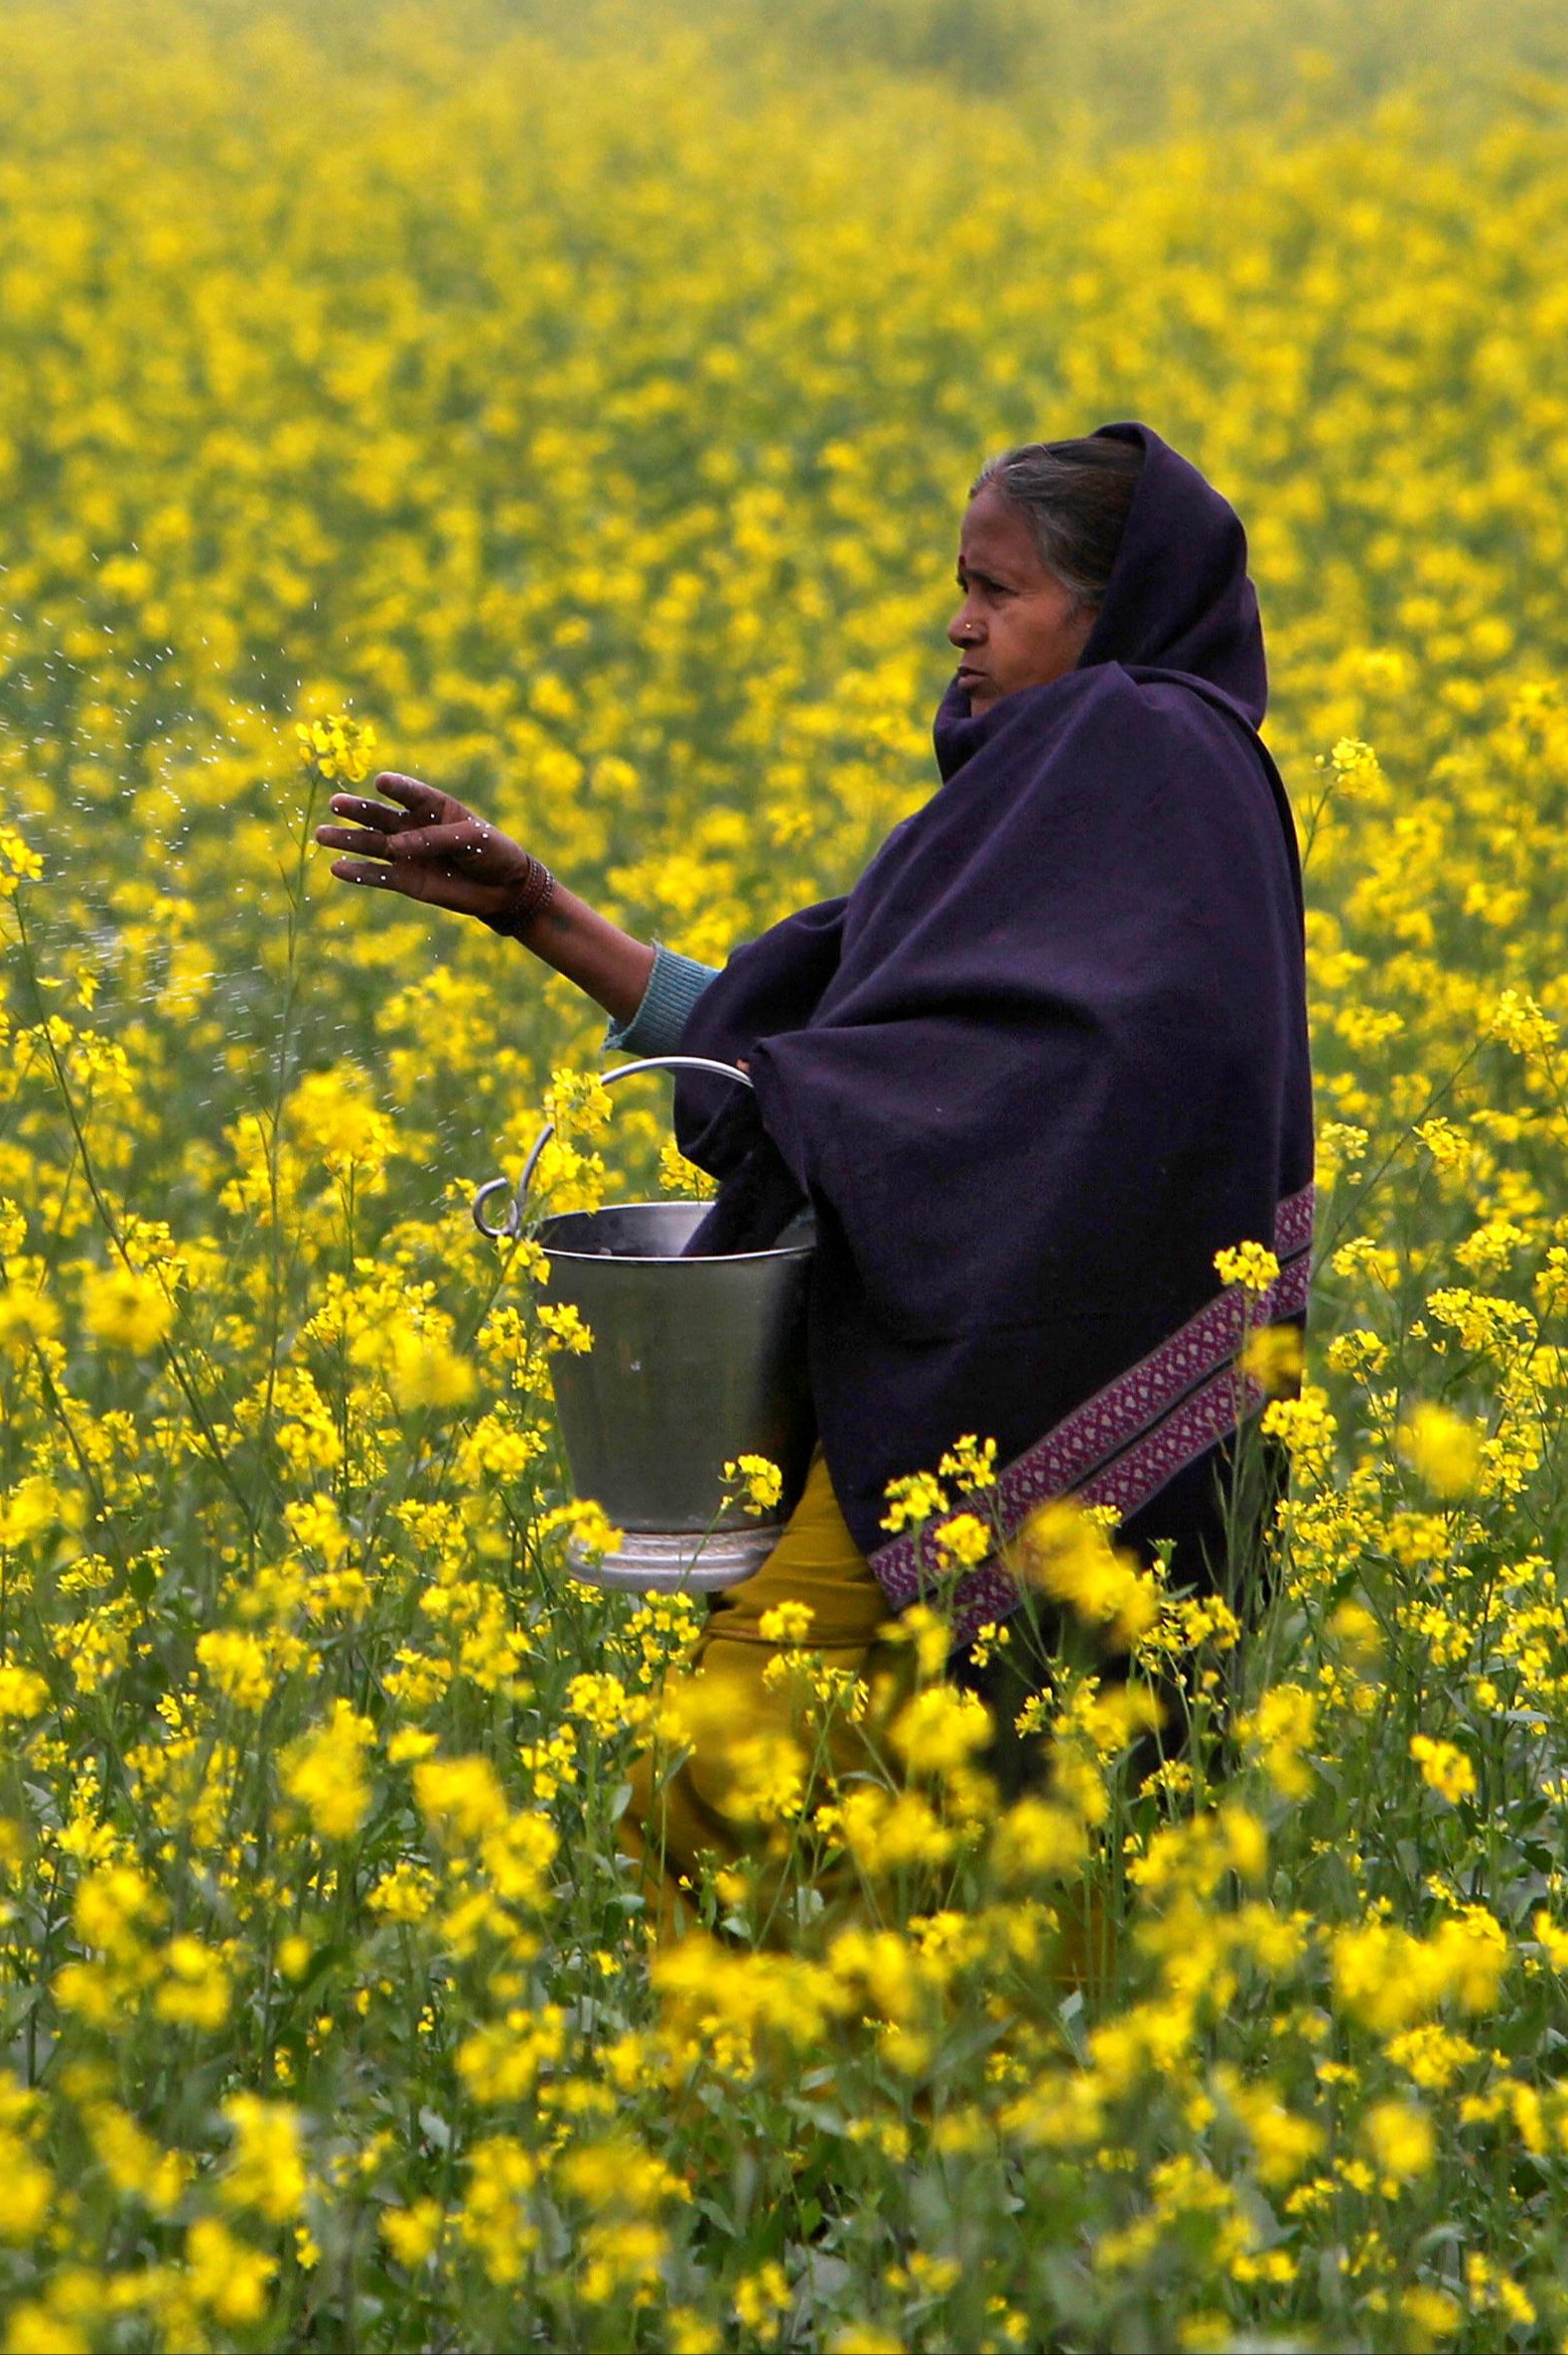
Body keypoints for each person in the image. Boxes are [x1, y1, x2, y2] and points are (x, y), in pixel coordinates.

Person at [316, 423, 1313, 1930]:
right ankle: (825, 2083)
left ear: (1112, 610)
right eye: (959, 586)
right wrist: (539, 914)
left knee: (746, 1789)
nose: (960, 628)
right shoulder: (1076, 782)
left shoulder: (1140, 755)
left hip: (1016, 1396)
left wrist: (817, 1100)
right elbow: (832, 1031)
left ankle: (798, 2075)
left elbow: (1045, 1077)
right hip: (959, 1384)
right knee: (918, 1844)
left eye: (997, 591)